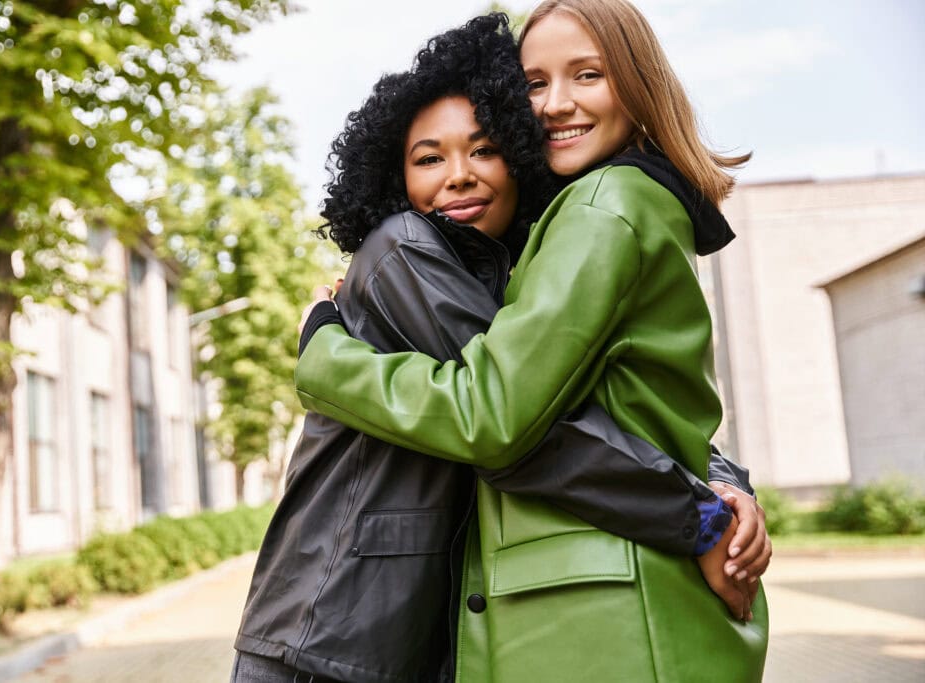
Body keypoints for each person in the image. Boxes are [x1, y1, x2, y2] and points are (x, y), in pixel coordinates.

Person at [294, 2, 770, 681]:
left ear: (638, 85)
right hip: (603, 595)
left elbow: (494, 414)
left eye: (586, 75)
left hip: (608, 605)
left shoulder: (603, 207)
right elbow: (633, 404)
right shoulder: (606, 209)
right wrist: (721, 484)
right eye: (535, 83)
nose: (555, 104)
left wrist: (325, 351)